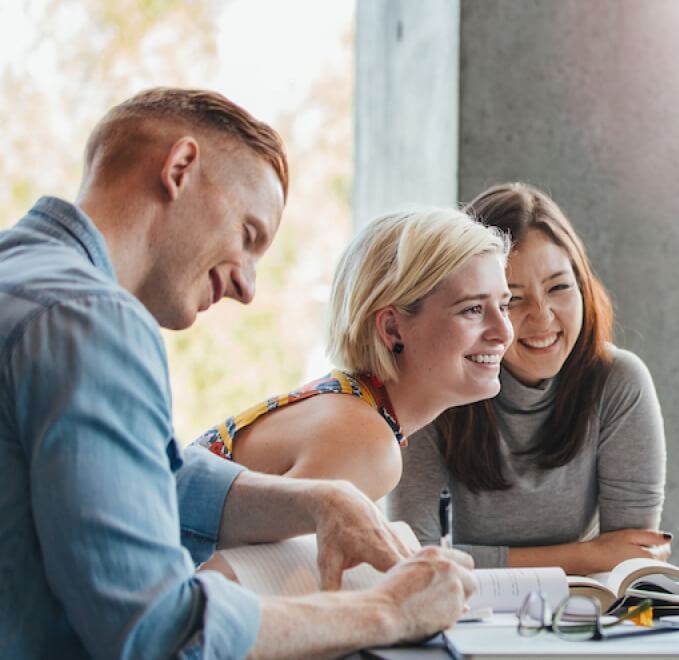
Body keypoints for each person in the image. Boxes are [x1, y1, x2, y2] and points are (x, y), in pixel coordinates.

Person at [0, 87, 478, 659]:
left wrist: (319, 501)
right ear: (180, 168)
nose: (248, 288)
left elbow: (138, 476)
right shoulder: (93, 320)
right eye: (248, 236)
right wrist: (388, 609)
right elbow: (160, 633)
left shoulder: (23, 281)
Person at [388, 182, 669, 574]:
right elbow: (415, 558)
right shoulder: (434, 384)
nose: (542, 317)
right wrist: (585, 555)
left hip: (579, 615)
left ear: (584, 287)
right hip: (459, 613)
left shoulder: (618, 382)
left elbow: (629, 557)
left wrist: (598, 559)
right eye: (513, 299)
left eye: (559, 287)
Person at [196, 207, 514, 501]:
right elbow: (229, 563)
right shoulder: (365, 443)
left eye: (504, 306)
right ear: (391, 328)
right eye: (472, 309)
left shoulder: (352, 407)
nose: (504, 332)